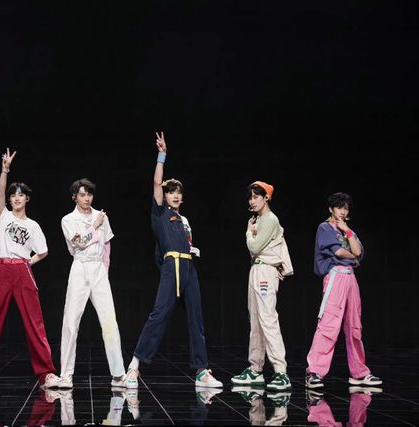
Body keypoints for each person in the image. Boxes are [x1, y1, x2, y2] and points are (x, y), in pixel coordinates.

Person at [124, 132, 223, 389]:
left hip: (189, 267)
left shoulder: (184, 220)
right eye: (171, 193)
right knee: (159, 315)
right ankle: (134, 367)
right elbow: (157, 183)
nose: (175, 196)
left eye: (178, 193)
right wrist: (162, 155)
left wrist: (192, 250)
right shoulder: (160, 213)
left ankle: (202, 371)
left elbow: (186, 243)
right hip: (172, 267)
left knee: (196, 318)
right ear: (165, 197)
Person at [0, 148, 59, 389]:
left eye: (21, 195)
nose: (16, 198)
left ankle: (46, 374)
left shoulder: (33, 225)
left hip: (22, 271)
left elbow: (43, 251)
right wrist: (4, 171)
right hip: (2, 269)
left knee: (35, 323)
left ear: (27, 199)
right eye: (13, 195)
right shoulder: (2, 216)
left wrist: (27, 263)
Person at [305, 192, 382, 389]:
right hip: (336, 276)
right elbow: (339, 252)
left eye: (346, 208)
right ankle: (314, 372)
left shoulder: (349, 231)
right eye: (339, 207)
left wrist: (347, 231)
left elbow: (358, 252)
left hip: (350, 278)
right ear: (331, 209)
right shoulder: (325, 227)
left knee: (354, 326)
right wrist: (352, 256)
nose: (343, 211)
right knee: (329, 324)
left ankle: (359, 373)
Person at [57, 178, 126, 389]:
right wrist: (94, 226)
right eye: (82, 195)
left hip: (98, 269)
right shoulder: (68, 219)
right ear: (74, 197)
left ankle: (118, 374)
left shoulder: (102, 216)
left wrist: (104, 271)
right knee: (71, 322)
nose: (87, 198)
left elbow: (107, 246)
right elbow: (78, 243)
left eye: (89, 194)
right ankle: (66, 374)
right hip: (80, 267)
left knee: (109, 321)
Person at [231, 181, 293, 391]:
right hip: (256, 269)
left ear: (266, 197)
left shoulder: (270, 219)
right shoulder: (257, 219)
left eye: (256, 196)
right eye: (250, 197)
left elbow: (255, 246)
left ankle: (281, 373)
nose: (252, 201)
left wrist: (249, 233)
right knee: (255, 321)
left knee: (268, 319)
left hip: (266, 271)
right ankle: (255, 369)